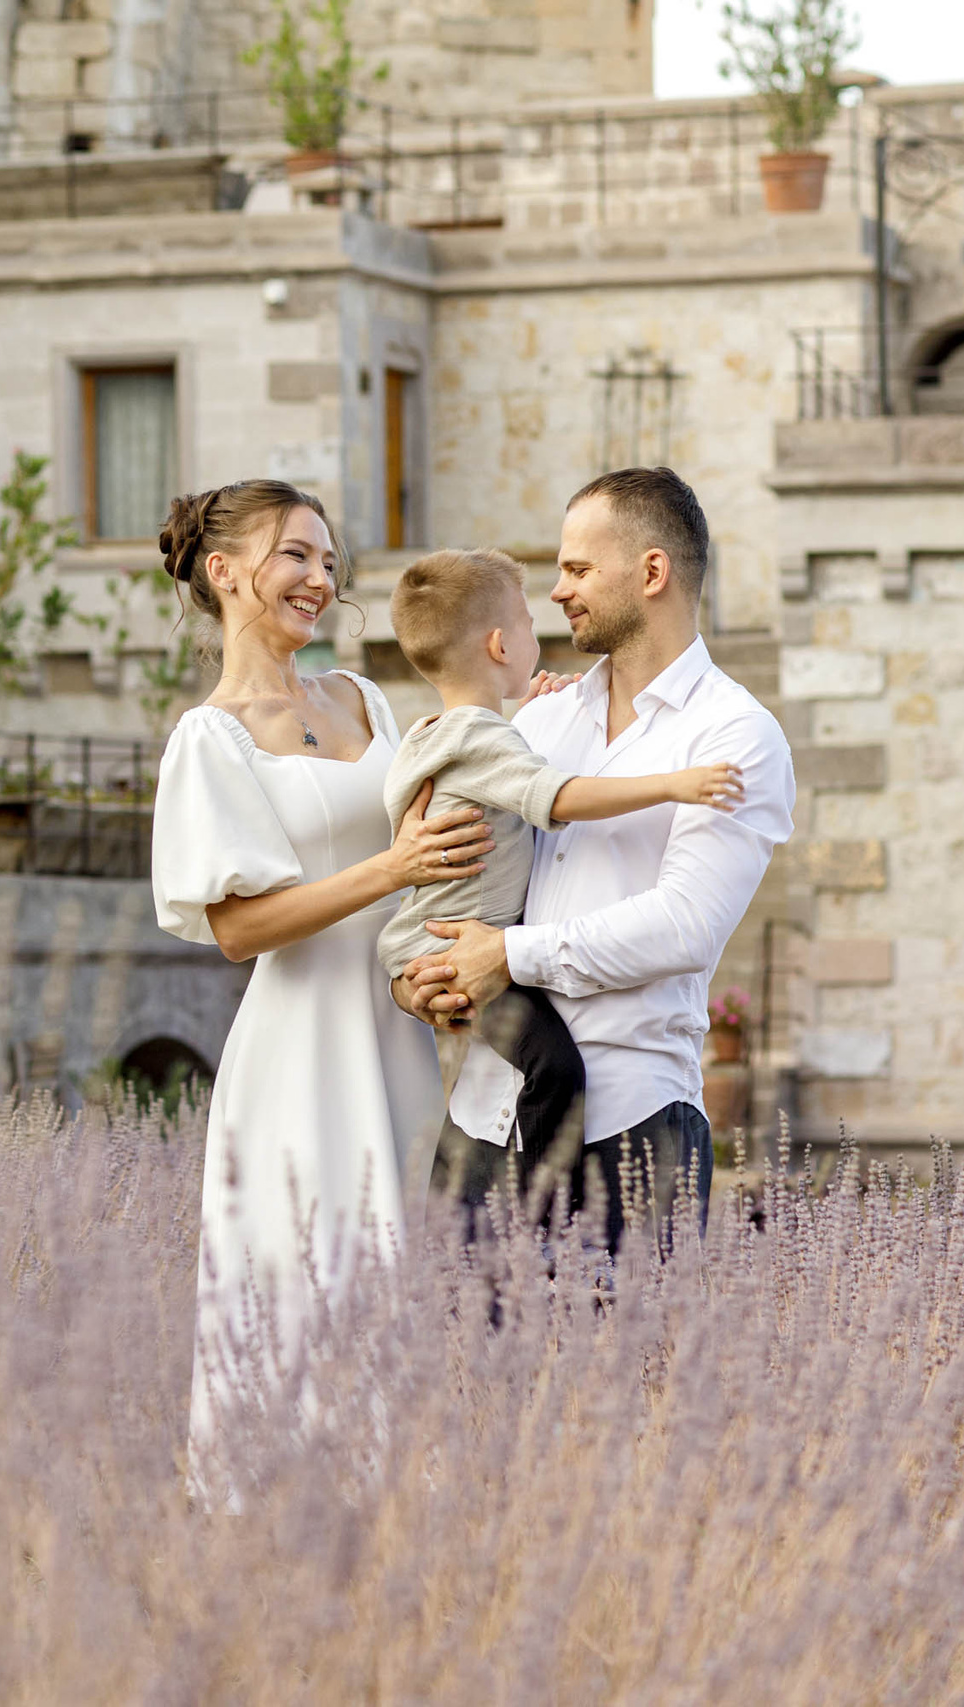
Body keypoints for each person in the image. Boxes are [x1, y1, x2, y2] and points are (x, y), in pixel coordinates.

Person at [147, 480, 494, 1464]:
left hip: (403, 1028)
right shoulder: (210, 738)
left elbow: (451, 792)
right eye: (295, 554)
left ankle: (418, 1512)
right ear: (224, 571)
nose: (319, 578)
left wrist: (525, 722)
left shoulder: (362, 698)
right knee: (311, 1286)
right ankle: (285, 1517)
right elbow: (238, 928)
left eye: (329, 561)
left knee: (417, 1274)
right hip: (301, 1050)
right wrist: (391, 868)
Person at [393, 469, 795, 1256]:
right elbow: (466, 874)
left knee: (622, 1342)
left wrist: (506, 956)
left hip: (632, 1131)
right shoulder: (537, 719)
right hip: (482, 1120)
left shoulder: (735, 735)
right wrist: (423, 977)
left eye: (577, 568)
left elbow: (684, 925)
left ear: (652, 571)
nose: (557, 591)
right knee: (450, 1340)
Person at [377, 546, 746, 1191]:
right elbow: (560, 796)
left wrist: (524, 716)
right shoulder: (487, 740)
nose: (553, 601)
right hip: (453, 964)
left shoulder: (434, 733)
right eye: (526, 624)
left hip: (431, 950)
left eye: (579, 569)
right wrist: (672, 784)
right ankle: (542, 1203)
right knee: (557, 1071)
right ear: (500, 646)